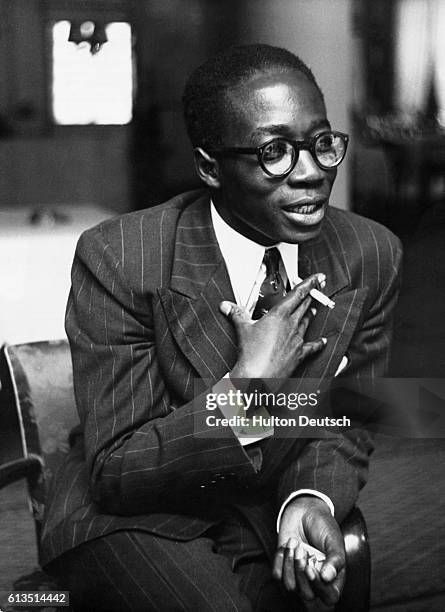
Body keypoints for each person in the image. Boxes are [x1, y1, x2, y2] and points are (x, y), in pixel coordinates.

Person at [42, 44, 402, 611]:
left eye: (321, 143)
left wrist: (309, 500)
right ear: (210, 166)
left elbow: (348, 416)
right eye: (275, 151)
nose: (310, 174)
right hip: (134, 518)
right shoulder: (122, 257)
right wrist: (247, 389)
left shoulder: (371, 254)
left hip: (263, 511)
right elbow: (116, 469)